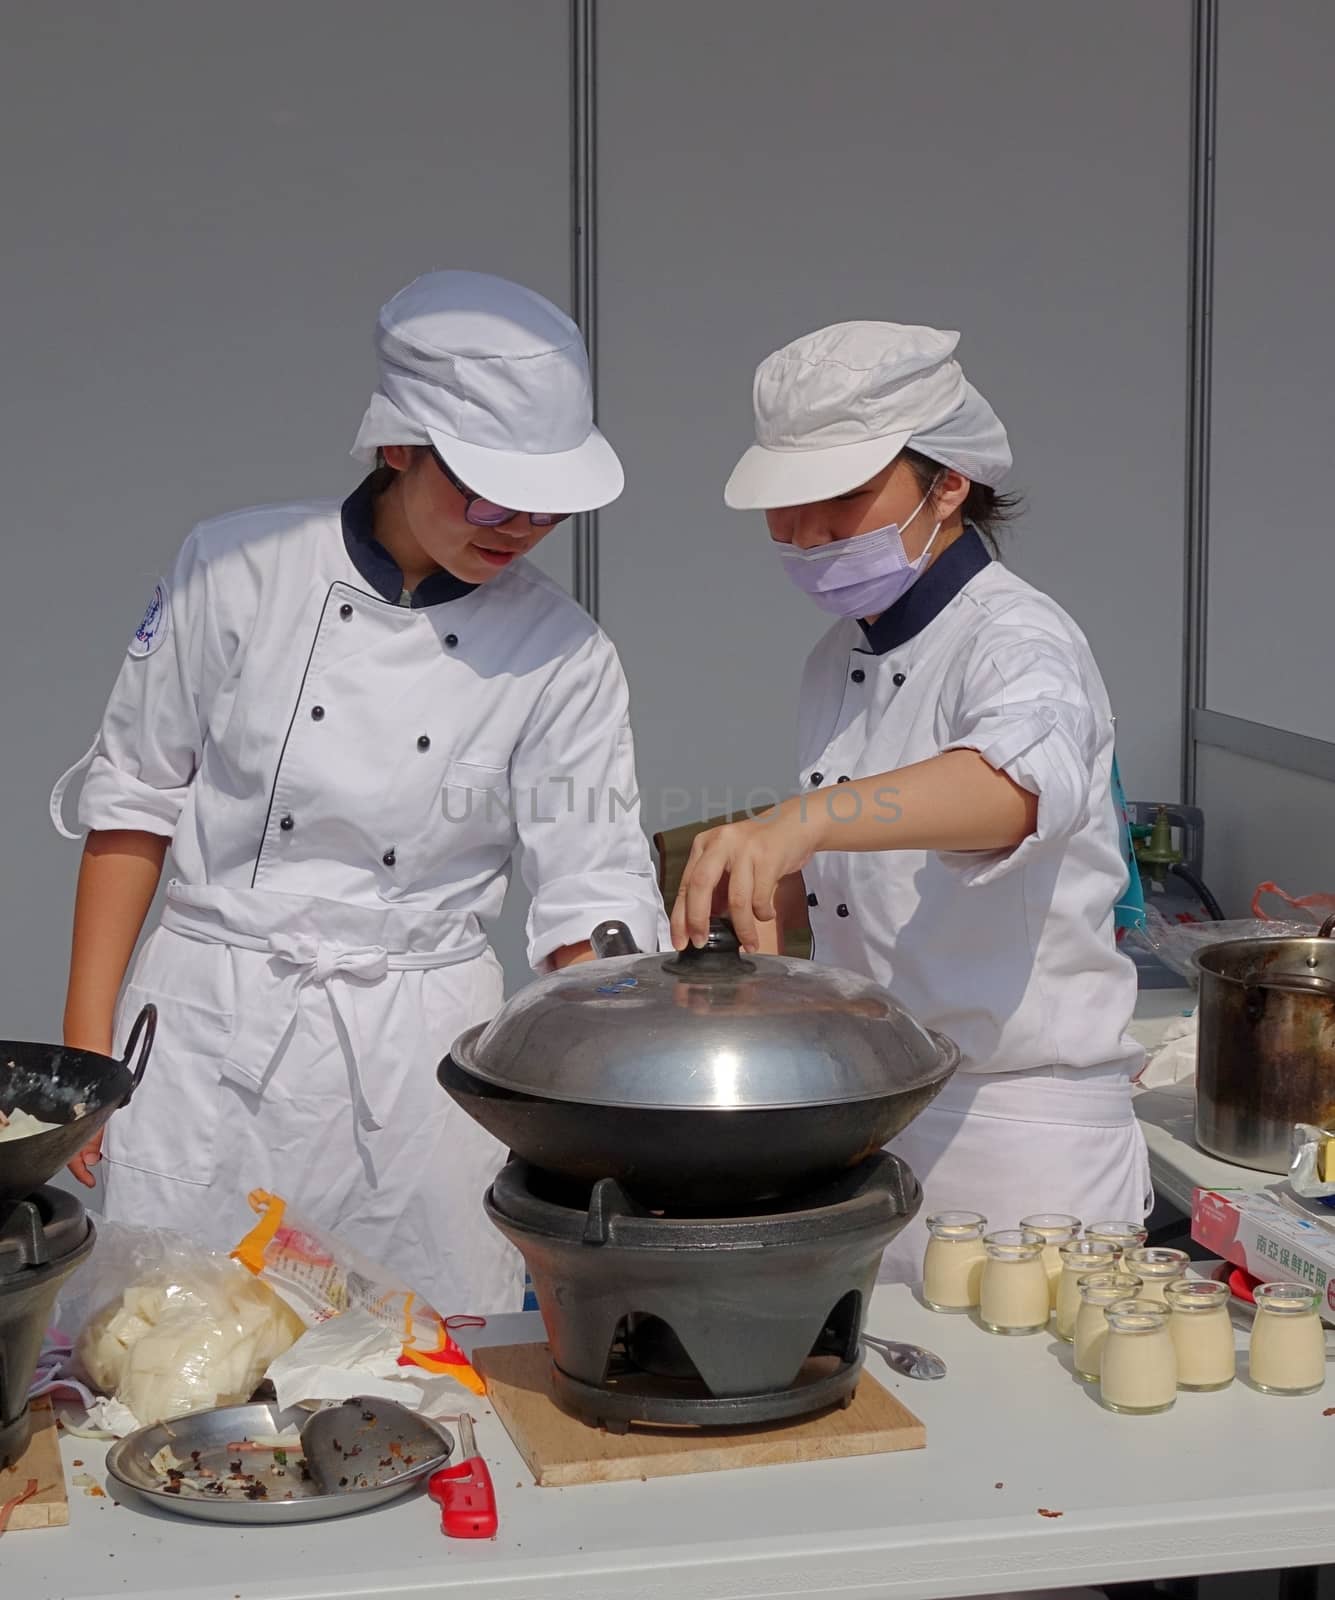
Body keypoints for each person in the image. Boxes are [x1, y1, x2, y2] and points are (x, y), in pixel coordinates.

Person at [52, 270, 667, 1313]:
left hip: (419, 1064)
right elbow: (134, 801)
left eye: (547, 506)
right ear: (396, 446)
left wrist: (623, 1099)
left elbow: (587, 889)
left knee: (424, 1375)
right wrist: (84, 1056)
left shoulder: (565, 654)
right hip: (212, 1035)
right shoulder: (235, 567)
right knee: (162, 1356)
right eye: (484, 491)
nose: (515, 524)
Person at [672, 320, 1150, 1285]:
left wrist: (803, 821)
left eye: (839, 499)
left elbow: (1017, 786)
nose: (805, 535)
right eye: (784, 507)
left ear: (948, 482)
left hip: (1022, 1141)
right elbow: (887, 874)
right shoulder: (837, 659)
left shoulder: (1016, 639)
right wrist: (759, 900)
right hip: (883, 1114)